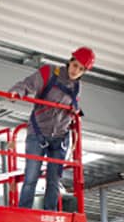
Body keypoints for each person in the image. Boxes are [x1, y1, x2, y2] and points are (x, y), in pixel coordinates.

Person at [9, 47, 95, 211]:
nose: (76, 71)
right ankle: (24, 211)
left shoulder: (77, 87)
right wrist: (17, 92)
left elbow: (72, 106)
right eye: (75, 65)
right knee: (31, 176)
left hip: (60, 136)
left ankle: (51, 213)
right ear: (70, 61)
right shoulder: (49, 73)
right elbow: (28, 84)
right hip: (38, 133)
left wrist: (75, 111)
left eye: (81, 69)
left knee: (54, 179)